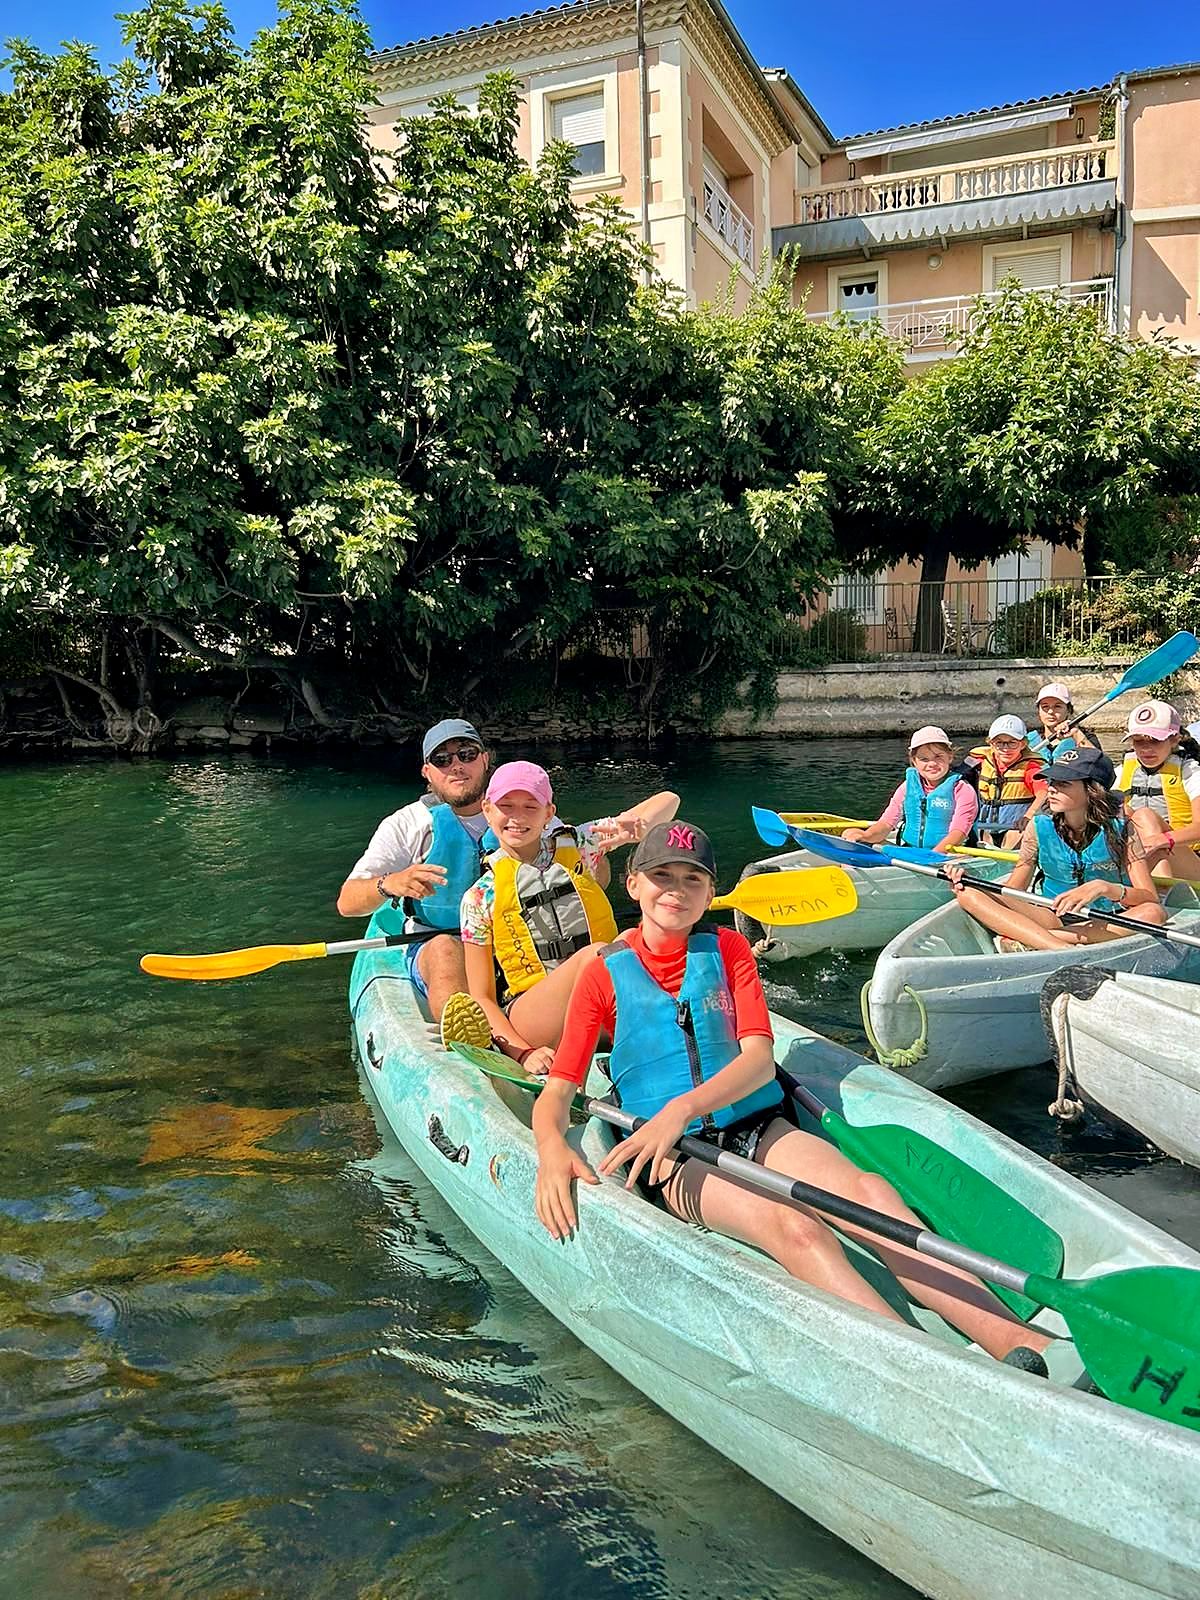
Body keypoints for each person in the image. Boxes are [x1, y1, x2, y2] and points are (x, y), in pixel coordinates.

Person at [532, 821, 1058, 1370]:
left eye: (693, 879)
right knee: (796, 1228)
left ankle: (1021, 1344)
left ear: (710, 894)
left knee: (871, 1193)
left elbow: (759, 1060)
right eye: (661, 875)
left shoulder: (728, 949)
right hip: (674, 1157)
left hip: (754, 1125)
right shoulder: (602, 975)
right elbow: (559, 1090)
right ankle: (928, 1369)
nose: (676, 890)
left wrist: (682, 1108)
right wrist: (550, 1147)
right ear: (634, 885)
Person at [444, 762, 681, 1067]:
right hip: (537, 1019)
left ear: (548, 814)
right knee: (598, 954)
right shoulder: (479, 897)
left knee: (631, 939)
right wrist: (523, 1053)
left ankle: (662, 1036)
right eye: (506, 806)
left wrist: (638, 826)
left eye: (531, 806)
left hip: (604, 1002)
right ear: (487, 810)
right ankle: (660, 1033)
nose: (517, 817)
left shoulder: (579, 846)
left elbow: (669, 801)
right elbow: (482, 997)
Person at [336, 718, 496, 1021]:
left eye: (467, 754)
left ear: (485, 760)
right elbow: (347, 902)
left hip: (511, 938)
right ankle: (467, 1037)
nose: (456, 766)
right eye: (442, 760)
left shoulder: (518, 811)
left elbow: (576, 865)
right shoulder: (407, 824)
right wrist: (391, 883)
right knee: (444, 951)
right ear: (427, 772)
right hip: (437, 939)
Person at [946, 747, 1166, 952]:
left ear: (1092, 790)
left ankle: (1036, 939)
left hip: (1110, 918)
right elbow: (1014, 889)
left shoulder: (1123, 828)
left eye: (1063, 784)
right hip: (1054, 915)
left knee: (1153, 913)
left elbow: (1149, 898)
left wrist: (1104, 888)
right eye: (1052, 781)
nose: (1051, 789)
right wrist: (971, 880)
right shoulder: (1038, 826)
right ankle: (1059, 946)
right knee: (968, 893)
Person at [842, 726, 978, 853]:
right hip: (911, 851)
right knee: (851, 835)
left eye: (938, 756)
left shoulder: (963, 790)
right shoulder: (907, 787)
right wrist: (866, 835)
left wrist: (933, 856)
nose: (932, 763)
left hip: (949, 855)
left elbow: (958, 832)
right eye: (924, 759)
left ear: (950, 757)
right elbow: (887, 823)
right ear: (914, 761)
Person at [1117, 700, 1200, 883]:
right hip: (1140, 854)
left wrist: (1161, 839)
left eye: (1155, 740)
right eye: (1139, 741)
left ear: (1174, 739)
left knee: (1145, 816)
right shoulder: (1123, 771)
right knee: (1122, 811)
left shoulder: (1191, 772)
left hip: (1191, 864)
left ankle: (1160, 893)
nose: (1146, 749)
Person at [966, 715, 1045, 849]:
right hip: (984, 828)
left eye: (1012, 743)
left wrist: (1028, 817)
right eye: (999, 743)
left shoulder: (1031, 768)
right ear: (991, 743)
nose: (1005, 748)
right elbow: (955, 780)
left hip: (1015, 829)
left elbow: (1044, 793)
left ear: (1023, 744)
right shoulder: (979, 761)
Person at [1026, 683, 1103, 761]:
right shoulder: (1027, 741)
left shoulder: (1086, 737)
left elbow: (1101, 763)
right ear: (1039, 711)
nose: (1050, 711)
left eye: (1057, 706)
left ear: (1068, 710)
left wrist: (1076, 734)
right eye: (1045, 706)